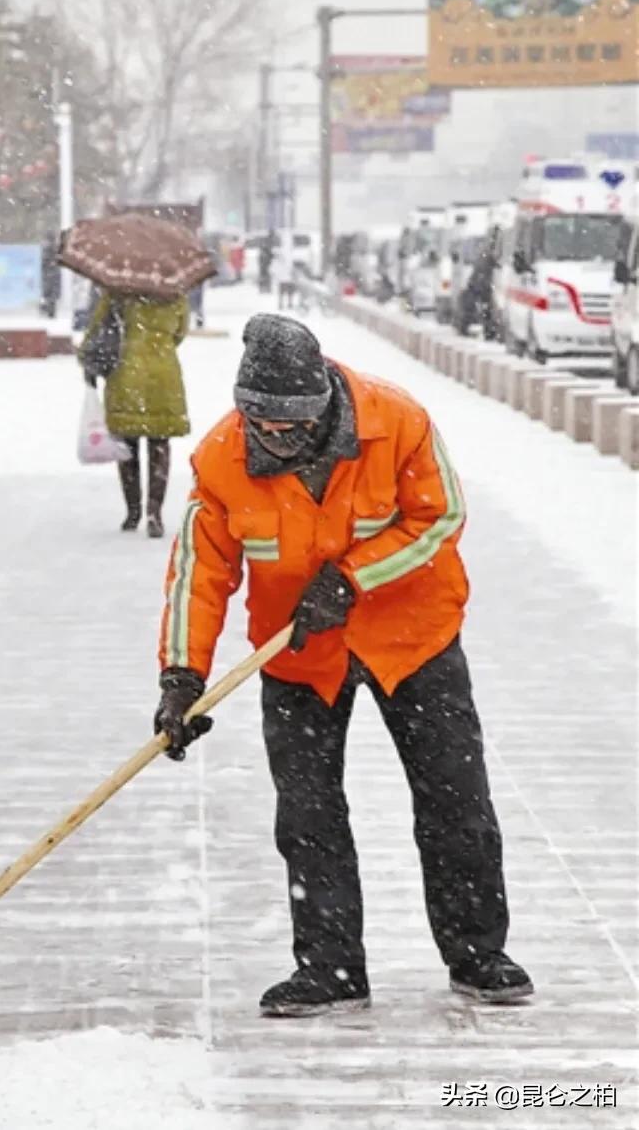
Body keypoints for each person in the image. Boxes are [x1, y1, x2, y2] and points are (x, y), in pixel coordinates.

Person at [153, 314, 532, 1016]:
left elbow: (440, 517)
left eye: (291, 425)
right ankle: (329, 967)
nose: (275, 437)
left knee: (455, 800)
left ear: (323, 400)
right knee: (307, 814)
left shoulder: (397, 420)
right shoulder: (222, 457)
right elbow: (199, 573)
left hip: (413, 639)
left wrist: (351, 578)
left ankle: (479, 953)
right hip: (298, 654)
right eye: (261, 422)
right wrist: (183, 678)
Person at [80, 290, 191, 538]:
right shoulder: (174, 291)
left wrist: (88, 361)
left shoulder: (118, 291)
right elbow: (180, 332)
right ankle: (154, 513)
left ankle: (133, 511)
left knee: (127, 445)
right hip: (163, 373)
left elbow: (98, 328)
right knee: (159, 443)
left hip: (125, 371)